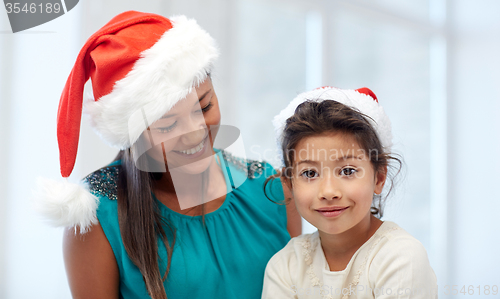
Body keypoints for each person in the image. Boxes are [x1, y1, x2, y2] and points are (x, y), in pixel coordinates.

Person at [35, 11, 301, 299]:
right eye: (168, 124)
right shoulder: (96, 219)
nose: (196, 133)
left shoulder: (272, 189)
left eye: (205, 105)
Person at [262, 87, 437, 298]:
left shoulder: (400, 258)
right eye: (309, 173)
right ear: (289, 183)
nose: (328, 192)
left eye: (347, 171)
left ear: (379, 177)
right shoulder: (286, 265)